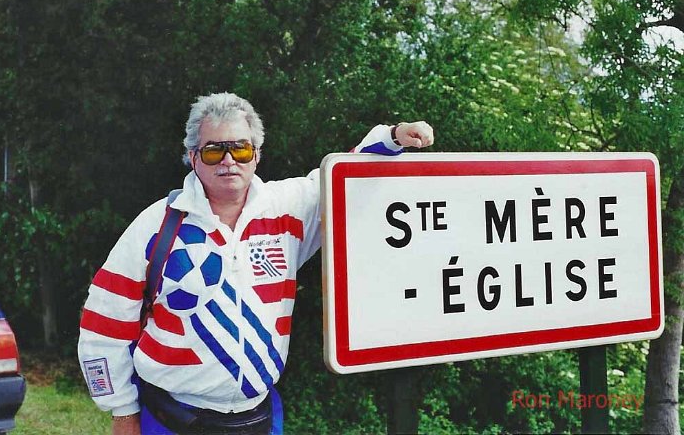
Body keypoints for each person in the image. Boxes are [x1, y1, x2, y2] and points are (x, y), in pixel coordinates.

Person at [78, 92, 434, 435]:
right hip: (170, 417)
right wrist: (122, 411)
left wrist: (391, 138)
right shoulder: (156, 225)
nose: (229, 161)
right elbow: (103, 324)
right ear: (193, 156)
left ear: (257, 155)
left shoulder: (287, 208)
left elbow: (343, 175)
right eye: (214, 151)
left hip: (258, 419)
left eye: (241, 148)